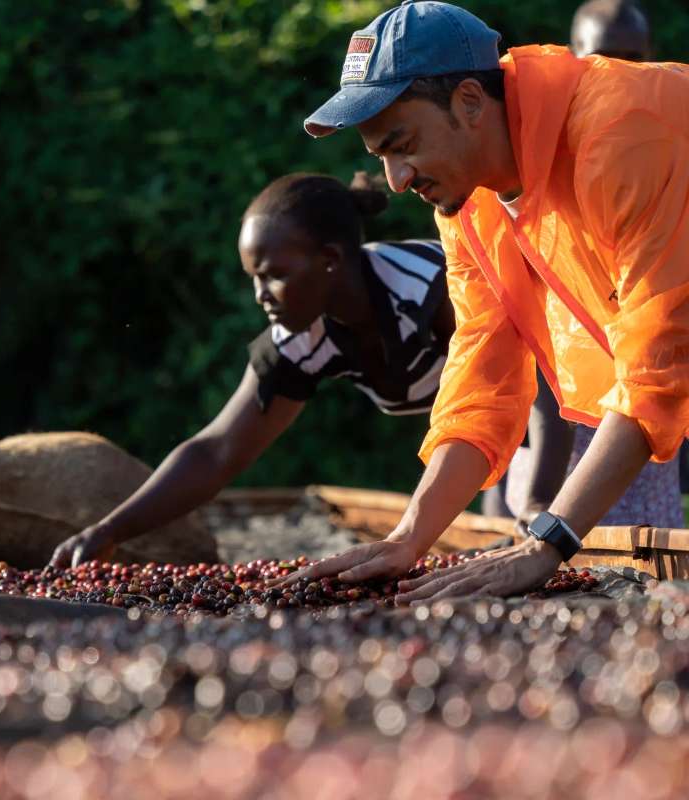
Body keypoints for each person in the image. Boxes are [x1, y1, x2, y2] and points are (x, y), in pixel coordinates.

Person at [279, 1, 689, 601]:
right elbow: (482, 371)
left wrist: (547, 541)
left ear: (470, 101)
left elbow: (663, 352)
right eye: (380, 158)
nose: (395, 179)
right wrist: (409, 537)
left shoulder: (621, 131)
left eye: (404, 143)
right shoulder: (467, 198)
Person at [50, 172, 455, 568]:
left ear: (330, 260)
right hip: (481, 442)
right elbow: (218, 451)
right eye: (254, 278)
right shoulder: (301, 336)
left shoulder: (430, 287)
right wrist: (108, 531)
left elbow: (514, 379)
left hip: (513, 411)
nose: (261, 296)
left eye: (275, 275)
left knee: (516, 515)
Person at [487, 0, 683, 531]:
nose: (618, 72)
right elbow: (546, 350)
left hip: (642, 425)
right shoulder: (543, 181)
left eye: (632, 58)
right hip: (566, 444)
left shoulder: (659, 157)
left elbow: (665, 348)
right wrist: (542, 510)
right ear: (573, 60)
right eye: (603, 58)